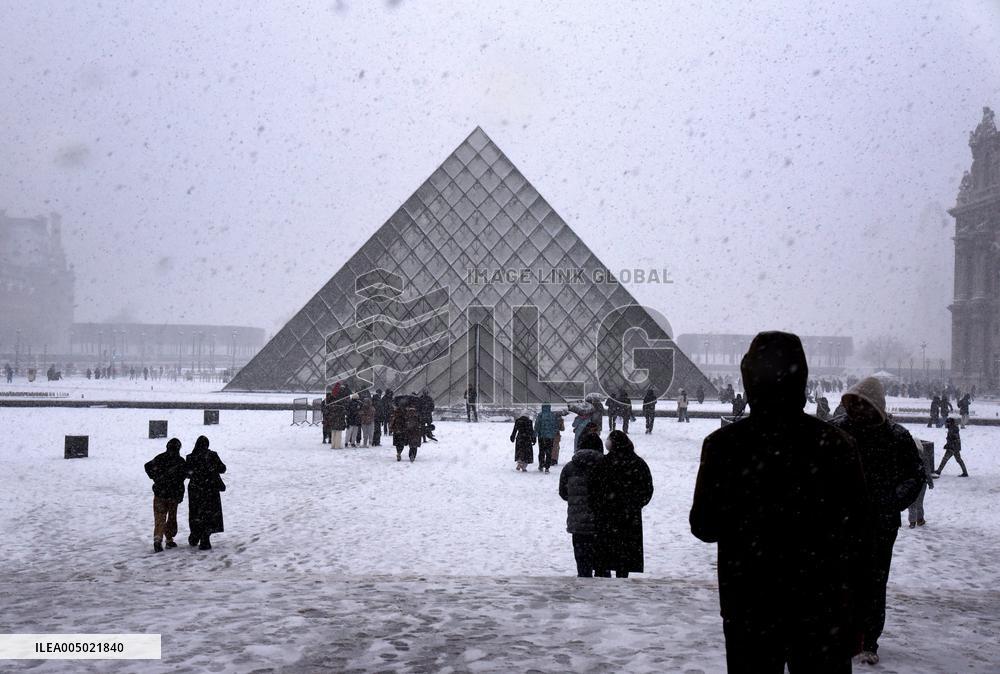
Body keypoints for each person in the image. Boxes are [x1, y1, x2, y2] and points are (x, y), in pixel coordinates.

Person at [691, 331, 872, 673]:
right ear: (801, 379)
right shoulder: (836, 444)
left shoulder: (723, 445)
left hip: (749, 602)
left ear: (748, 380)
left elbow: (704, 526)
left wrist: (749, 520)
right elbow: (861, 535)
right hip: (822, 604)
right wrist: (857, 611)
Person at [830, 376, 926, 665]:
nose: (857, 410)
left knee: (873, 582)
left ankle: (868, 639)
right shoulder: (838, 432)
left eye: (863, 404)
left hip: (879, 523)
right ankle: (843, 634)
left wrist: (890, 501)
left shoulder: (896, 437)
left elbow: (915, 476)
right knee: (842, 579)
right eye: (854, 404)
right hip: (844, 521)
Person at [589, 430, 653, 578]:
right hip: (628, 517)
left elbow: (592, 488)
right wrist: (635, 505)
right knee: (624, 557)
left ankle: (604, 580)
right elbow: (647, 489)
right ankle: (621, 580)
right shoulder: (638, 463)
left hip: (605, 516)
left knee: (604, 556)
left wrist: (598, 506)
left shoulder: (603, 463)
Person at [558, 433, 604, 577]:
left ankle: (584, 591)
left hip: (578, 523)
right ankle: (606, 593)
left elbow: (563, 493)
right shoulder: (607, 465)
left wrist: (577, 500)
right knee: (603, 564)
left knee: (582, 562)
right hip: (602, 522)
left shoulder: (570, 467)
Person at [144, 438, 187, 553]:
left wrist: (156, 477)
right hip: (173, 495)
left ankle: (158, 539)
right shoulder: (180, 461)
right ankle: (169, 539)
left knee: (159, 517)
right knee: (172, 517)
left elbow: (147, 466)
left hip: (160, 493)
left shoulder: (160, 458)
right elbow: (185, 475)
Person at [185, 436, 227, 551]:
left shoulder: (190, 457)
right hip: (210, 489)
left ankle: (195, 535)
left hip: (195, 490)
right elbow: (223, 469)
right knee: (209, 513)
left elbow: (188, 473)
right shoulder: (212, 455)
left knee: (195, 513)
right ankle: (205, 538)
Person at [908, 435, 935, 527]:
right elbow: (927, 470)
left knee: (911, 502)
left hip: (910, 482)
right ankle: (920, 519)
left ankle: (912, 522)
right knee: (919, 501)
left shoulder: (906, 454)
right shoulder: (923, 455)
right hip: (921, 482)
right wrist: (930, 482)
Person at [534, 403, 558, 473]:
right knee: (549, 452)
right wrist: (553, 434)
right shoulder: (552, 415)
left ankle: (541, 465)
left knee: (541, 451)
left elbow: (537, 425)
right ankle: (547, 467)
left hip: (541, 436)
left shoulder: (540, 415)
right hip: (550, 437)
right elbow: (555, 426)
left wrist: (535, 434)